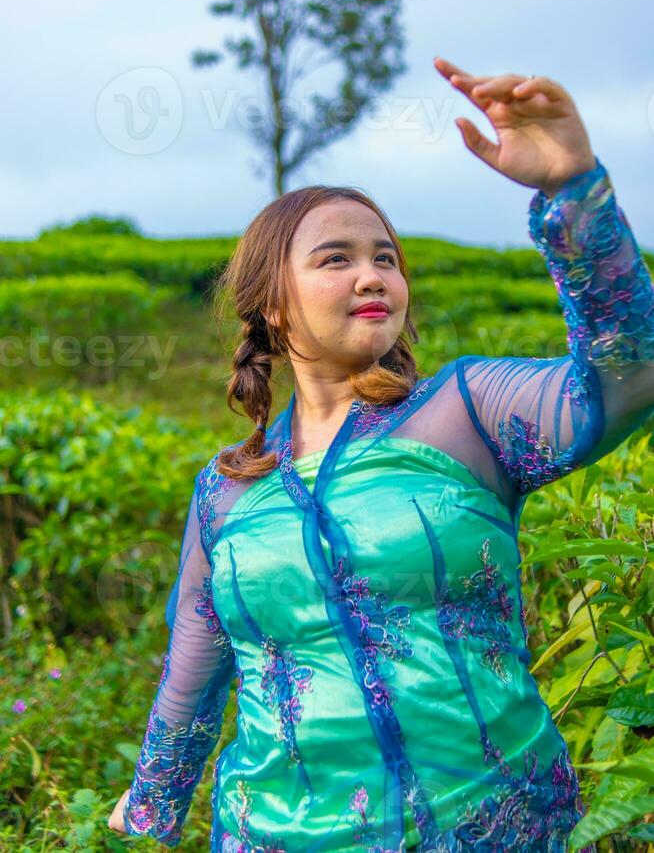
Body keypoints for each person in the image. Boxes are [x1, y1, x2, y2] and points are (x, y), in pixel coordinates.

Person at [108, 58, 654, 852]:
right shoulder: (228, 490)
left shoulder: (466, 411)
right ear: (271, 302)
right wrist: (151, 802)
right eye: (336, 259)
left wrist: (573, 191)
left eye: (386, 258)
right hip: (277, 835)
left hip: (495, 827)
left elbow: (628, 377)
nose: (373, 275)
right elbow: (197, 654)